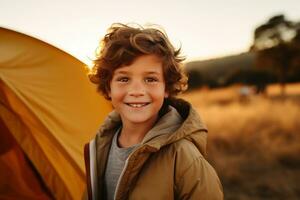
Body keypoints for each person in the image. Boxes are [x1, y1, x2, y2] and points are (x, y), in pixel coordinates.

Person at [84, 23, 223, 200]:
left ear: (166, 87)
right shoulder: (99, 146)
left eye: (150, 79)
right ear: (108, 87)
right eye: (124, 79)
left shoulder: (185, 160)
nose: (136, 91)